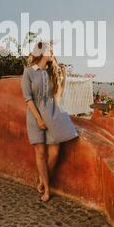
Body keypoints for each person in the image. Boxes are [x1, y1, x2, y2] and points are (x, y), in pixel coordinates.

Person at [21, 41, 79, 202]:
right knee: (40, 154)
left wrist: (64, 76)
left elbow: (58, 94)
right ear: (40, 52)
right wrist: (39, 119)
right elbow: (28, 98)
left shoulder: (50, 71)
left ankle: (41, 180)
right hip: (35, 117)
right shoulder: (28, 72)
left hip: (52, 115)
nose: (52, 51)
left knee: (55, 152)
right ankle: (47, 189)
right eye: (49, 49)